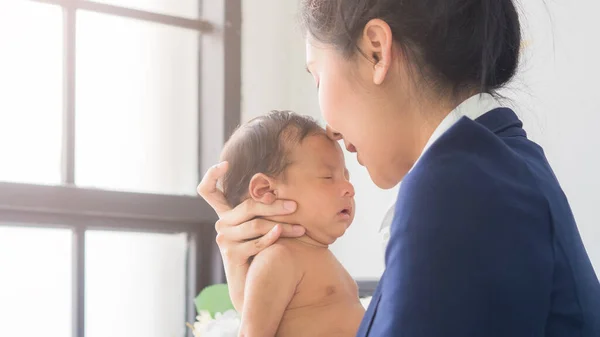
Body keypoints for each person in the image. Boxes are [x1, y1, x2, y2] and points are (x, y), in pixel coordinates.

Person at [198, 0, 600, 336]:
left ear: (376, 51)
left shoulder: (456, 188)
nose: (330, 130)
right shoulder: (495, 162)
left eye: (317, 77)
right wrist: (248, 276)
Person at [219, 110, 364, 337]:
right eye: (328, 177)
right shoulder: (279, 258)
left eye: (346, 177)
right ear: (267, 191)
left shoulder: (318, 254)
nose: (349, 188)